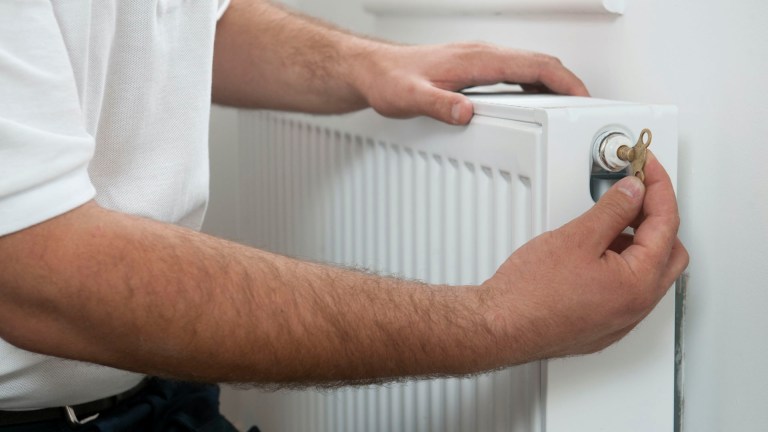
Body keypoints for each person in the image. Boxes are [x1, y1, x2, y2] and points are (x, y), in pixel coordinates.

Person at [0, 0, 688, 430]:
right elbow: (41, 269)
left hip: (154, 393)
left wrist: (361, 63)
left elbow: (189, 18)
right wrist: (496, 318)